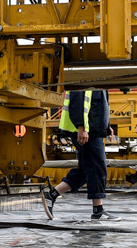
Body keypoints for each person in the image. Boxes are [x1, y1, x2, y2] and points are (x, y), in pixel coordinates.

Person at [47, 88, 113, 219]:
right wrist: (81, 127)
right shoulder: (86, 75)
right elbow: (77, 102)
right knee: (97, 166)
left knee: (86, 169)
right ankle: (98, 210)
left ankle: (52, 195)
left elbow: (101, 102)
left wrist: (107, 126)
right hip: (87, 129)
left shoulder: (99, 75)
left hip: (93, 128)